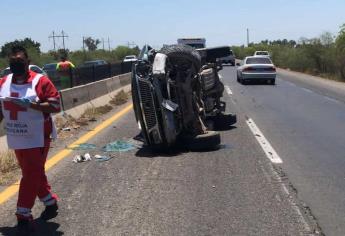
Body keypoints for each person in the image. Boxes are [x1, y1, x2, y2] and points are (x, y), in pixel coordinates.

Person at [0, 46, 61, 235]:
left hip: (38, 137)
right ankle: (50, 201)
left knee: (31, 173)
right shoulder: (3, 82)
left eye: (20, 61)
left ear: (27, 62)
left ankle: (23, 213)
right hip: (17, 136)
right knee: (32, 172)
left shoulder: (40, 81)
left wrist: (33, 105)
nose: (16, 65)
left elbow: (55, 105)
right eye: (13, 62)